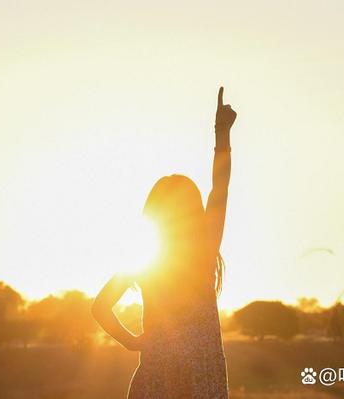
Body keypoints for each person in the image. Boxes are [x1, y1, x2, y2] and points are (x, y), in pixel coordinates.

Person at [92, 87, 236, 398]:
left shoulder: (145, 261)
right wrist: (221, 136)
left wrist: (132, 340)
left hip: (157, 377)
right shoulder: (202, 252)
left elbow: (100, 307)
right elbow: (219, 190)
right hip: (200, 380)